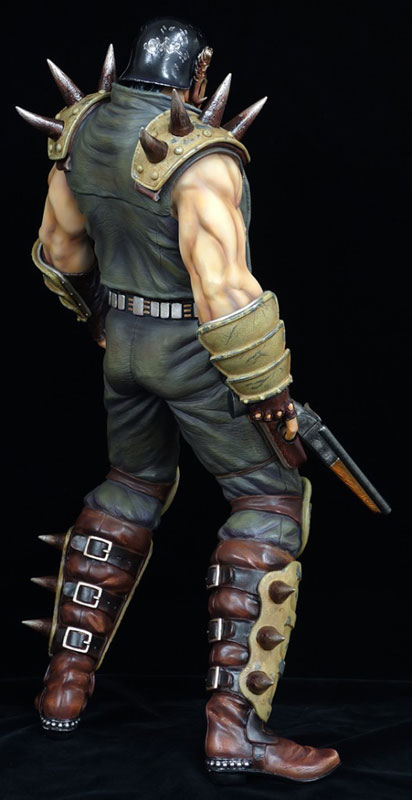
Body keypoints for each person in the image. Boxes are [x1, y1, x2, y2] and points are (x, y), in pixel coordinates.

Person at [18, 17, 340, 784]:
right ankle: (235, 729)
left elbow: (60, 250)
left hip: (124, 348)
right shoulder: (202, 157)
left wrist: (104, 317)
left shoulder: (81, 126)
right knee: (270, 497)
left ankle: (63, 688)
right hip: (195, 351)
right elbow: (223, 287)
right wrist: (270, 394)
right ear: (198, 74)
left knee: (131, 484)